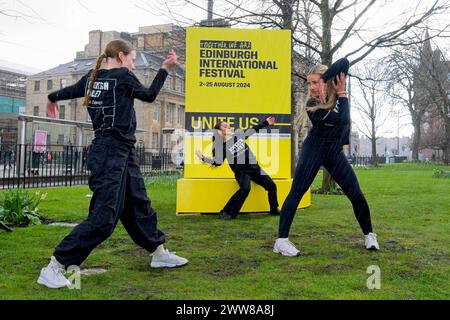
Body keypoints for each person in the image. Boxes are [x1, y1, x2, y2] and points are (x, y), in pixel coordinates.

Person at [37, 40, 188, 289]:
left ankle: (159, 253)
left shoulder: (92, 78)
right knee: (104, 218)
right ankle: (54, 266)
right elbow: (149, 95)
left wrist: (52, 98)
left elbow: (68, 92)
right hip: (110, 153)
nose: (132, 64)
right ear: (121, 56)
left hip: (119, 152)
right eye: (131, 59)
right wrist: (164, 68)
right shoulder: (122, 76)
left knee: (138, 203)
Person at [273, 58, 380, 257]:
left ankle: (369, 235)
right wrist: (339, 95)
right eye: (309, 83)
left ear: (326, 80)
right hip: (315, 148)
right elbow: (340, 120)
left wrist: (334, 83)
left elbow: (344, 63)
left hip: (334, 152)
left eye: (315, 82)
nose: (311, 87)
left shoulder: (337, 97)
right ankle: (281, 241)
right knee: (297, 192)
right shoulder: (311, 103)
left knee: (356, 194)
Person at [195, 117, 280, 220]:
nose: (227, 126)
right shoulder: (221, 147)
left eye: (228, 125)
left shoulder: (238, 136)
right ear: (219, 130)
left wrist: (266, 122)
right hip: (242, 172)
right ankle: (226, 212)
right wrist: (203, 158)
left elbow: (253, 130)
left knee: (272, 186)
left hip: (254, 168)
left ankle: (274, 210)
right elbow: (218, 162)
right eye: (224, 125)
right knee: (245, 189)